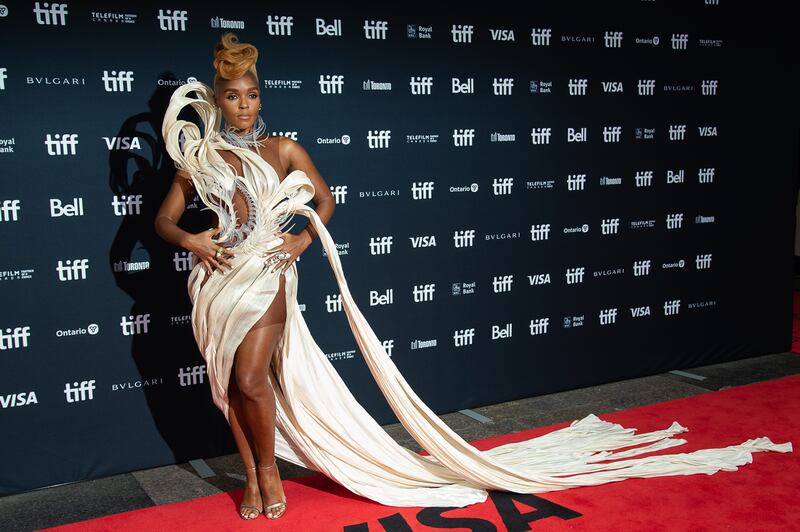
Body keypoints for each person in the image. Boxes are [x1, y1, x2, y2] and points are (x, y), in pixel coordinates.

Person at [156, 32, 793, 521]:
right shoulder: (201, 157)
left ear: (262, 96)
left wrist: (297, 242)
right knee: (227, 385)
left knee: (250, 378)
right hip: (217, 281)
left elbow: (326, 201)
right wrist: (190, 238)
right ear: (217, 100)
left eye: (253, 94)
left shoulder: (284, 149)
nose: (244, 106)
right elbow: (163, 221)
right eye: (233, 96)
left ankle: (269, 473)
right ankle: (249, 472)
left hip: (268, 272)